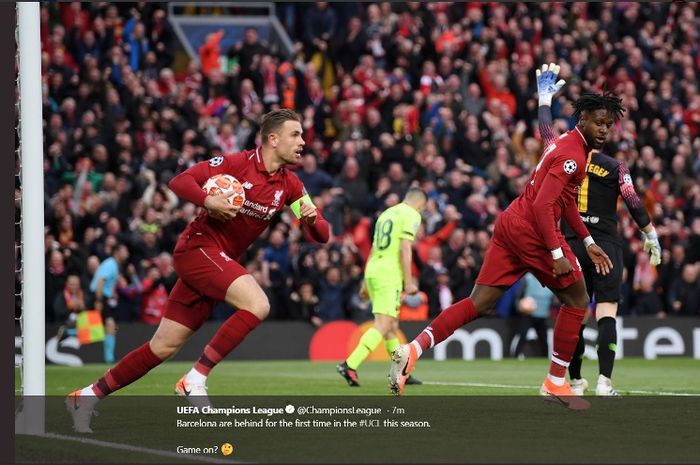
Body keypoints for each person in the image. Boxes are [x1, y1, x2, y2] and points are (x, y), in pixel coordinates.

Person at [66, 109, 330, 433]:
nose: (303, 142)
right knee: (258, 304)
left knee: (161, 347)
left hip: (215, 260)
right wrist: (210, 201)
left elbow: (323, 235)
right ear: (273, 139)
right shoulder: (236, 163)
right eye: (296, 135)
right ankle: (196, 377)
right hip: (198, 249)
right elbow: (180, 181)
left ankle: (87, 397)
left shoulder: (290, 184)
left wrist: (311, 221)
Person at [388, 64, 618, 411]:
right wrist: (557, 252)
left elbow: (565, 201)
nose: (604, 130)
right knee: (577, 299)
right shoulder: (572, 156)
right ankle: (556, 382)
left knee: (478, 303)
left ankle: (413, 349)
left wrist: (586, 241)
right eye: (599, 122)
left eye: (609, 125)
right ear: (582, 119)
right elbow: (544, 207)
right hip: (534, 230)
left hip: (511, 222)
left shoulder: (564, 145)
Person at [541, 95, 663, 397]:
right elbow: (633, 202)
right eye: (603, 123)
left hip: (571, 241)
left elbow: (545, 132)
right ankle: (604, 382)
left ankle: (576, 380)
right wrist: (651, 234)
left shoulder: (562, 153)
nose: (606, 128)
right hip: (605, 244)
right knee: (606, 313)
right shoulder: (616, 166)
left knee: (574, 312)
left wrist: (544, 101)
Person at [337, 188, 427, 387]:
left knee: (391, 328)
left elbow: (374, 248)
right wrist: (409, 281)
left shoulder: (387, 213)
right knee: (384, 324)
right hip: (389, 275)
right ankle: (350, 364)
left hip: (373, 270)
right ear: (421, 205)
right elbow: (405, 248)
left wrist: (364, 281)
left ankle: (401, 371)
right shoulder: (411, 214)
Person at [89, 243, 130, 363]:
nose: (127, 253)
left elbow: (106, 282)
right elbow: (101, 281)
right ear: (117, 252)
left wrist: (112, 294)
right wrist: (99, 300)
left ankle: (109, 358)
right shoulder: (111, 264)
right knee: (107, 325)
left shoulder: (114, 265)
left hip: (104, 296)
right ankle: (109, 358)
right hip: (98, 296)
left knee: (109, 325)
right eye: (124, 250)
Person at [513, 272, 555, 359]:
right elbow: (517, 296)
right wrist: (519, 308)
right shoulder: (528, 279)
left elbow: (554, 300)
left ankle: (544, 358)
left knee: (543, 339)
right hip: (528, 315)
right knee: (523, 335)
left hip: (542, 315)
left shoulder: (551, 280)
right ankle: (516, 356)